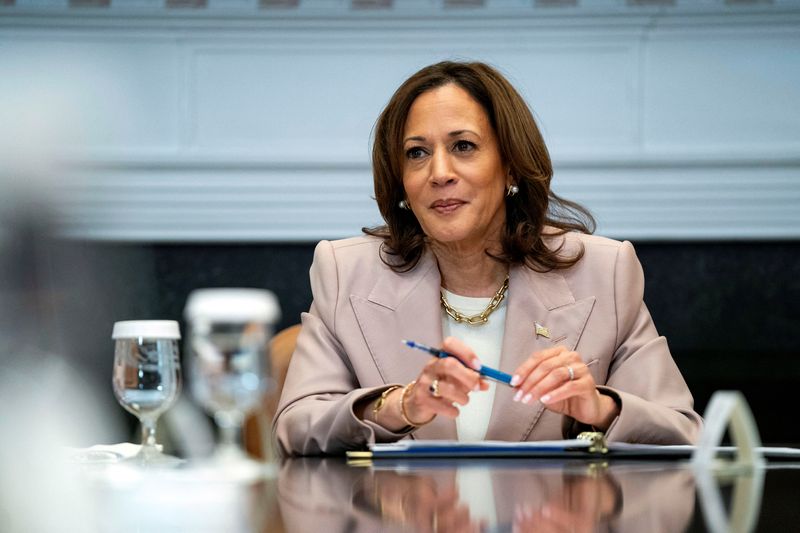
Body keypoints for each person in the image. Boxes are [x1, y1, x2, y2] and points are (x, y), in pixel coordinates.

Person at [273, 61, 702, 456]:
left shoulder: (601, 272)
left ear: (511, 166)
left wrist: (599, 408)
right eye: (416, 153)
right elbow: (296, 426)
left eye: (463, 146)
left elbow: (682, 430)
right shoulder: (345, 272)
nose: (439, 172)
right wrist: (397, 406)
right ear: (401, 181)